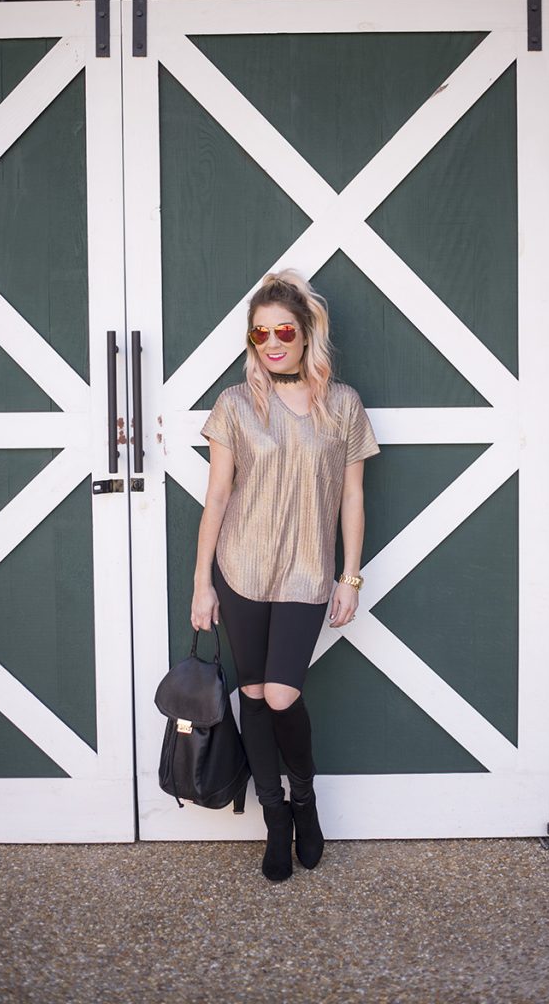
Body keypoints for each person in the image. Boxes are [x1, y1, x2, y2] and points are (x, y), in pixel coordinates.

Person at [190, 269, 379, 882]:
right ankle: (274, 818)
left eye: (284, 331)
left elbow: (352, 497)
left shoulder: (342, 404)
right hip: (241, 570)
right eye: (260, 333)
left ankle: (305, 803)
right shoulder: (237, 405)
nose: (272, 342)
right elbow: (217, 498)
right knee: (250, 695)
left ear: (306, 335)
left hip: (305, 573)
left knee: (280, 695)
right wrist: (202, 582)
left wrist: (349, 577)